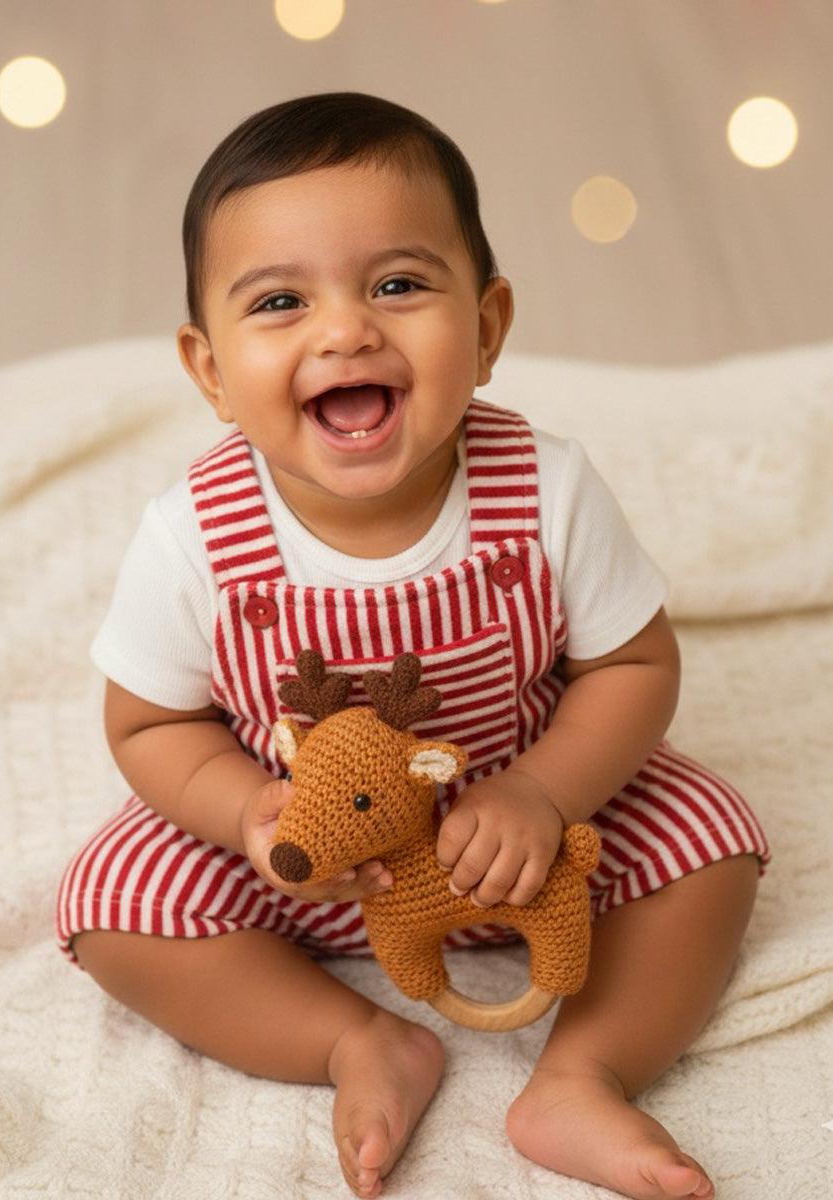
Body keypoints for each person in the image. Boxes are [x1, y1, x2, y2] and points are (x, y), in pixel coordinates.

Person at [57, 92, 768, 1200]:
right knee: (112, 900)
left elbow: (633, 669)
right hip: (307, 864)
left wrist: (543, 793)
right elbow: (148, 722)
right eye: (281, 301)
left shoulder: (547, 490)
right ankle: (357, 1041)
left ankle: (584, 1074)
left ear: (485, 329)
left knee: (711, 840)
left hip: (533, 844)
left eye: (398, 284)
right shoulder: (194, 533)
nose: (346, 330)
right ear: (208, 371)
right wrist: (242, 811)